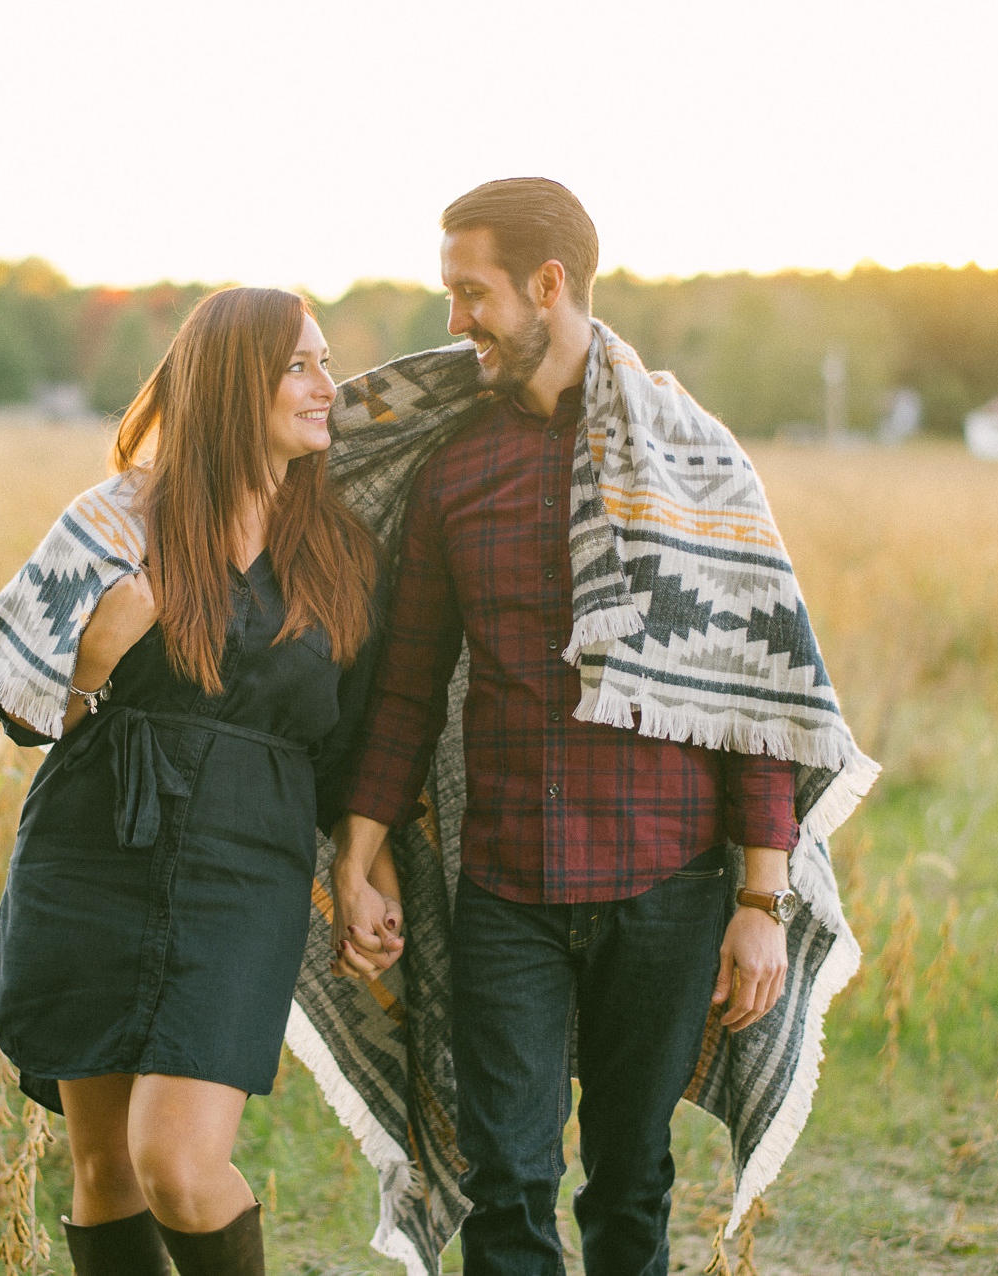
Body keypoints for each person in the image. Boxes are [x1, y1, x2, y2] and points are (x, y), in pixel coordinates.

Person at [326, 179, 823, 1275]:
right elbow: (408, 686)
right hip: (505, 888)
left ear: (548, 285)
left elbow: (754, 689)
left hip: (668, 885)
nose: (455, 322)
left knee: (633, 1181)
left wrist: (760, 901)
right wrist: (358, 858)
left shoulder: (695, 460)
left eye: (472, 293)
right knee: (507, 1187)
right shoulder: (455, 472)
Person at [0, 287, 381, 1276]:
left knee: (179, 1164)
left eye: (326, 362)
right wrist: (95, 662)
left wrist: (362, 868)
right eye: (301, 366)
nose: (328, 388)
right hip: (91, 855)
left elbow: (355, 744)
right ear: (236, 385)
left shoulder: (340, 548)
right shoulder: (115, 518)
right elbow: (21, 712)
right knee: (106, 1166)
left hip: (245, 872)